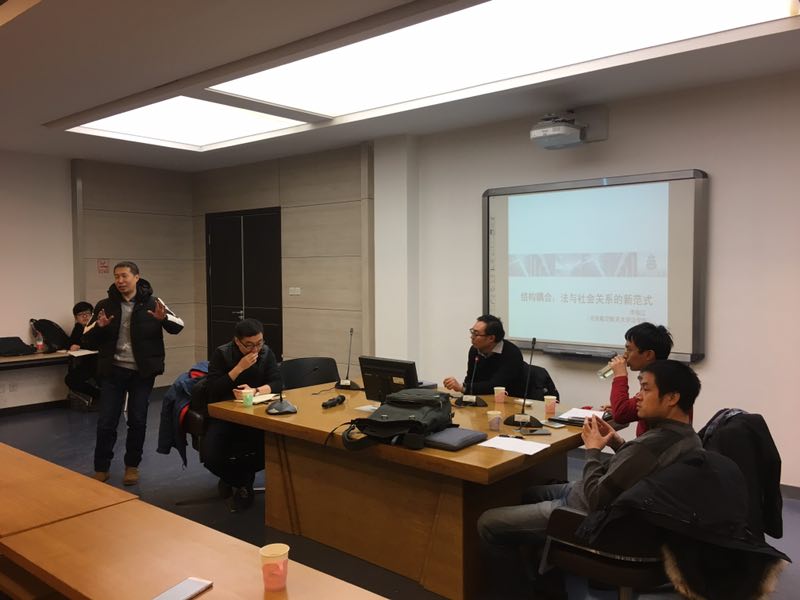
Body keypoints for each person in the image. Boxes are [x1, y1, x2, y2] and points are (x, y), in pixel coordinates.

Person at [477, 360, 702, 598]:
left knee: (488, 523)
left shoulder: (650, 446)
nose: (638, 396)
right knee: (528, 493)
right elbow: (639, 469)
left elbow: (596, 499)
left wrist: (593, 450)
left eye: (645, 389)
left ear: (672, 398)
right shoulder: (688, 438)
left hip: (591, 515)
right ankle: (548, 583)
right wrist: (617, 443)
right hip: (615, 506)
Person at [83, 261, 184, 485]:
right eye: (116, 276)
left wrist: (164, 319)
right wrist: (99, 327)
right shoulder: (104, 305)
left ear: (136, 277)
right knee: (106, 422)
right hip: (113, 372)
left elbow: (179, 326)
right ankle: (101, 468)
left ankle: (132, 466)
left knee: (138, 420)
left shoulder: (154, 303)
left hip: (142, 373)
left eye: (124, 276)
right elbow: (86, 338)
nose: (120, 281)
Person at [201, 318, 282, 511]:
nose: (255, 349)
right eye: (249, 345)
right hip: (225, 414)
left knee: (270, 449)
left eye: (259, 343)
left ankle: (241, 484)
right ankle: (240, 480)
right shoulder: (222, 354)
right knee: (210, 456)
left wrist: (255, 391)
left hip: (256, 413)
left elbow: (278, 383)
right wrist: (239, 369)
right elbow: (213, 389)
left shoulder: (266, 353)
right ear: (237, 341)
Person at [605, 322, 673, 436]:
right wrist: (619, 407)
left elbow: (621, 414)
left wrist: (620, 375)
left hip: (656, 446)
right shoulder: (662, 375)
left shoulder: (662, 383)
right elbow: (623, 410)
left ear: (648, 355)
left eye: (629, 350)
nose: (625, 355)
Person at [443, 314, 525, 397]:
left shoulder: (512, 353)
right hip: (481, 399)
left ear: (491, 338)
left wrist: (462, 387)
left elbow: (496, 386)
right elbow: (470, 379)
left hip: (508, 400)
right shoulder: (474, 350)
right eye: (472, 332)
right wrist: (463, 387)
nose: (471, 337)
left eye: (476, 334)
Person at [64, 301, 100, 404]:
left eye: (87, 313)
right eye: (80, 314)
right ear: (76, 318)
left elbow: (96, 344)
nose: (84, 316)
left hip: (100, 363)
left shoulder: (98, 326)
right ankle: (98, 395)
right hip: (87, 364)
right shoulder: (78, 327)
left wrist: (80, 346)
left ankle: (103, 397)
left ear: (92, 314)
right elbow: (71, 342)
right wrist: (72, 346)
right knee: (71, 379)